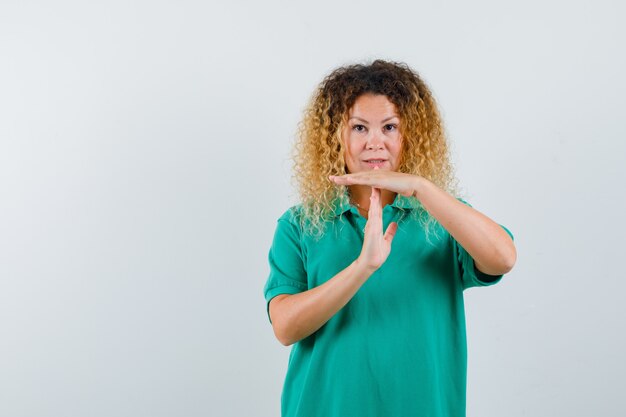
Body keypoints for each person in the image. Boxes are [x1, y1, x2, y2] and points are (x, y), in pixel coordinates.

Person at [262, 59, 517, 417]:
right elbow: (285, 327)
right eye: (360, 127)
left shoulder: (441, 216)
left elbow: (503, 257)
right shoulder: (300, 224)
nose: (374, 142)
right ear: (336, 136)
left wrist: (420, 186)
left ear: (409, 135)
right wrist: (362, 267)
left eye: (390, 127)